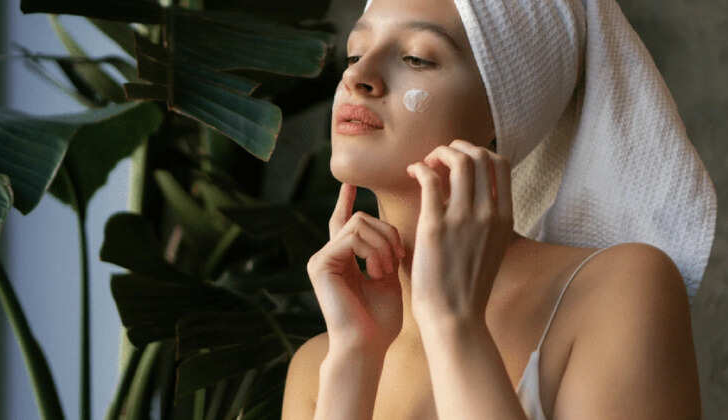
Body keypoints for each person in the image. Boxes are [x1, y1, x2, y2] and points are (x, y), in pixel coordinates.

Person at [281, 0, 713, 419]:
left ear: (504, 109)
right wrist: (354, 357)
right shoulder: (320, 363)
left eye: (416, 58)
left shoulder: (618, 289)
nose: (357, 76)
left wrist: (454, 324)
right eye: (355, 53)